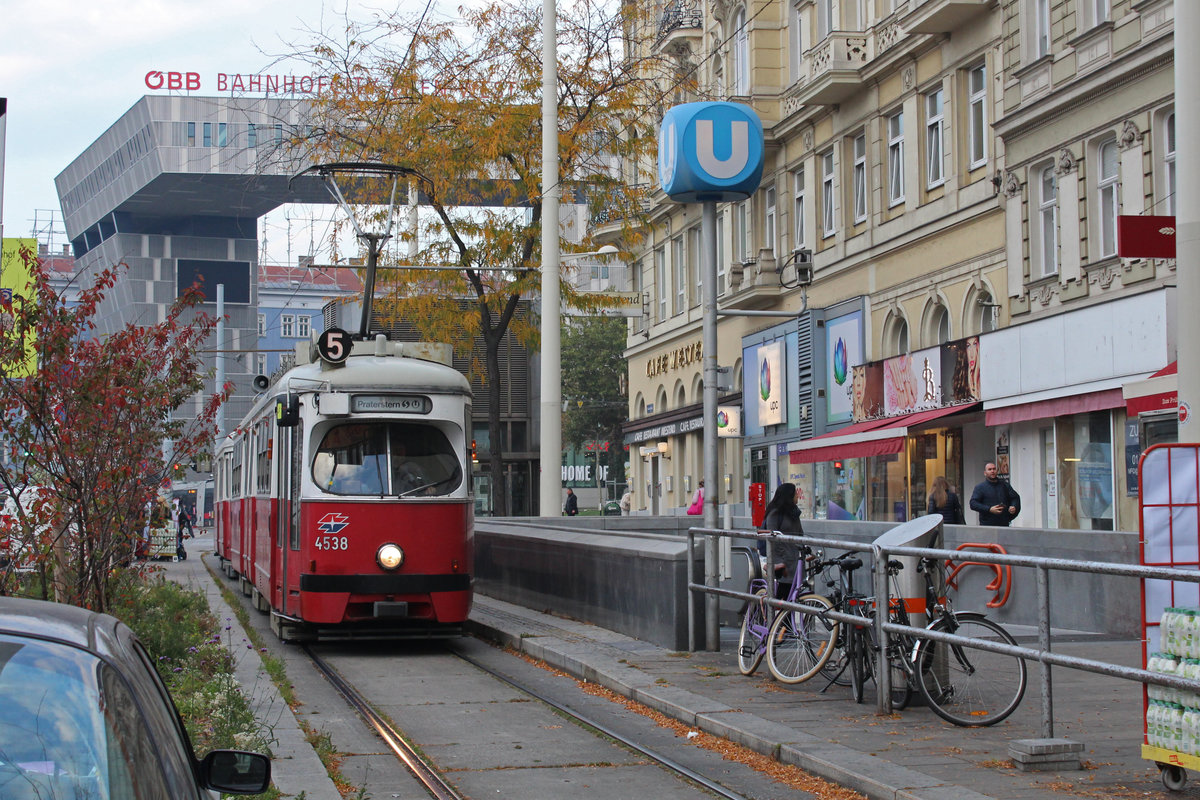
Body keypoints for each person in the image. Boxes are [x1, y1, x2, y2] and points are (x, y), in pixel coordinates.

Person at [760, 483, 803, 599]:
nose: (797, 497)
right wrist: (780, 562)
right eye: (795, 494)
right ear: (789, 496)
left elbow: (800, 534)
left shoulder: (794, 513)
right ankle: (775, 616)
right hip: (781, 563)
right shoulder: (775, 513)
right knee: (782, 597)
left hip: (793, 560)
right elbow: (772, 538)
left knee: (792, 596)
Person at [969, 461, 1021, 526]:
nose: (992, 471)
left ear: (997, 471)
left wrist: (1014, 506)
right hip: (987, 525)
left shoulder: (1005, 485)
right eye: (989, 469)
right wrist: (989, 509)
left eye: (994, 469)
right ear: (985, 473)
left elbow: (1015, 498)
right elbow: (973, 503)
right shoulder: (980, 487)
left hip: (1004, 524)